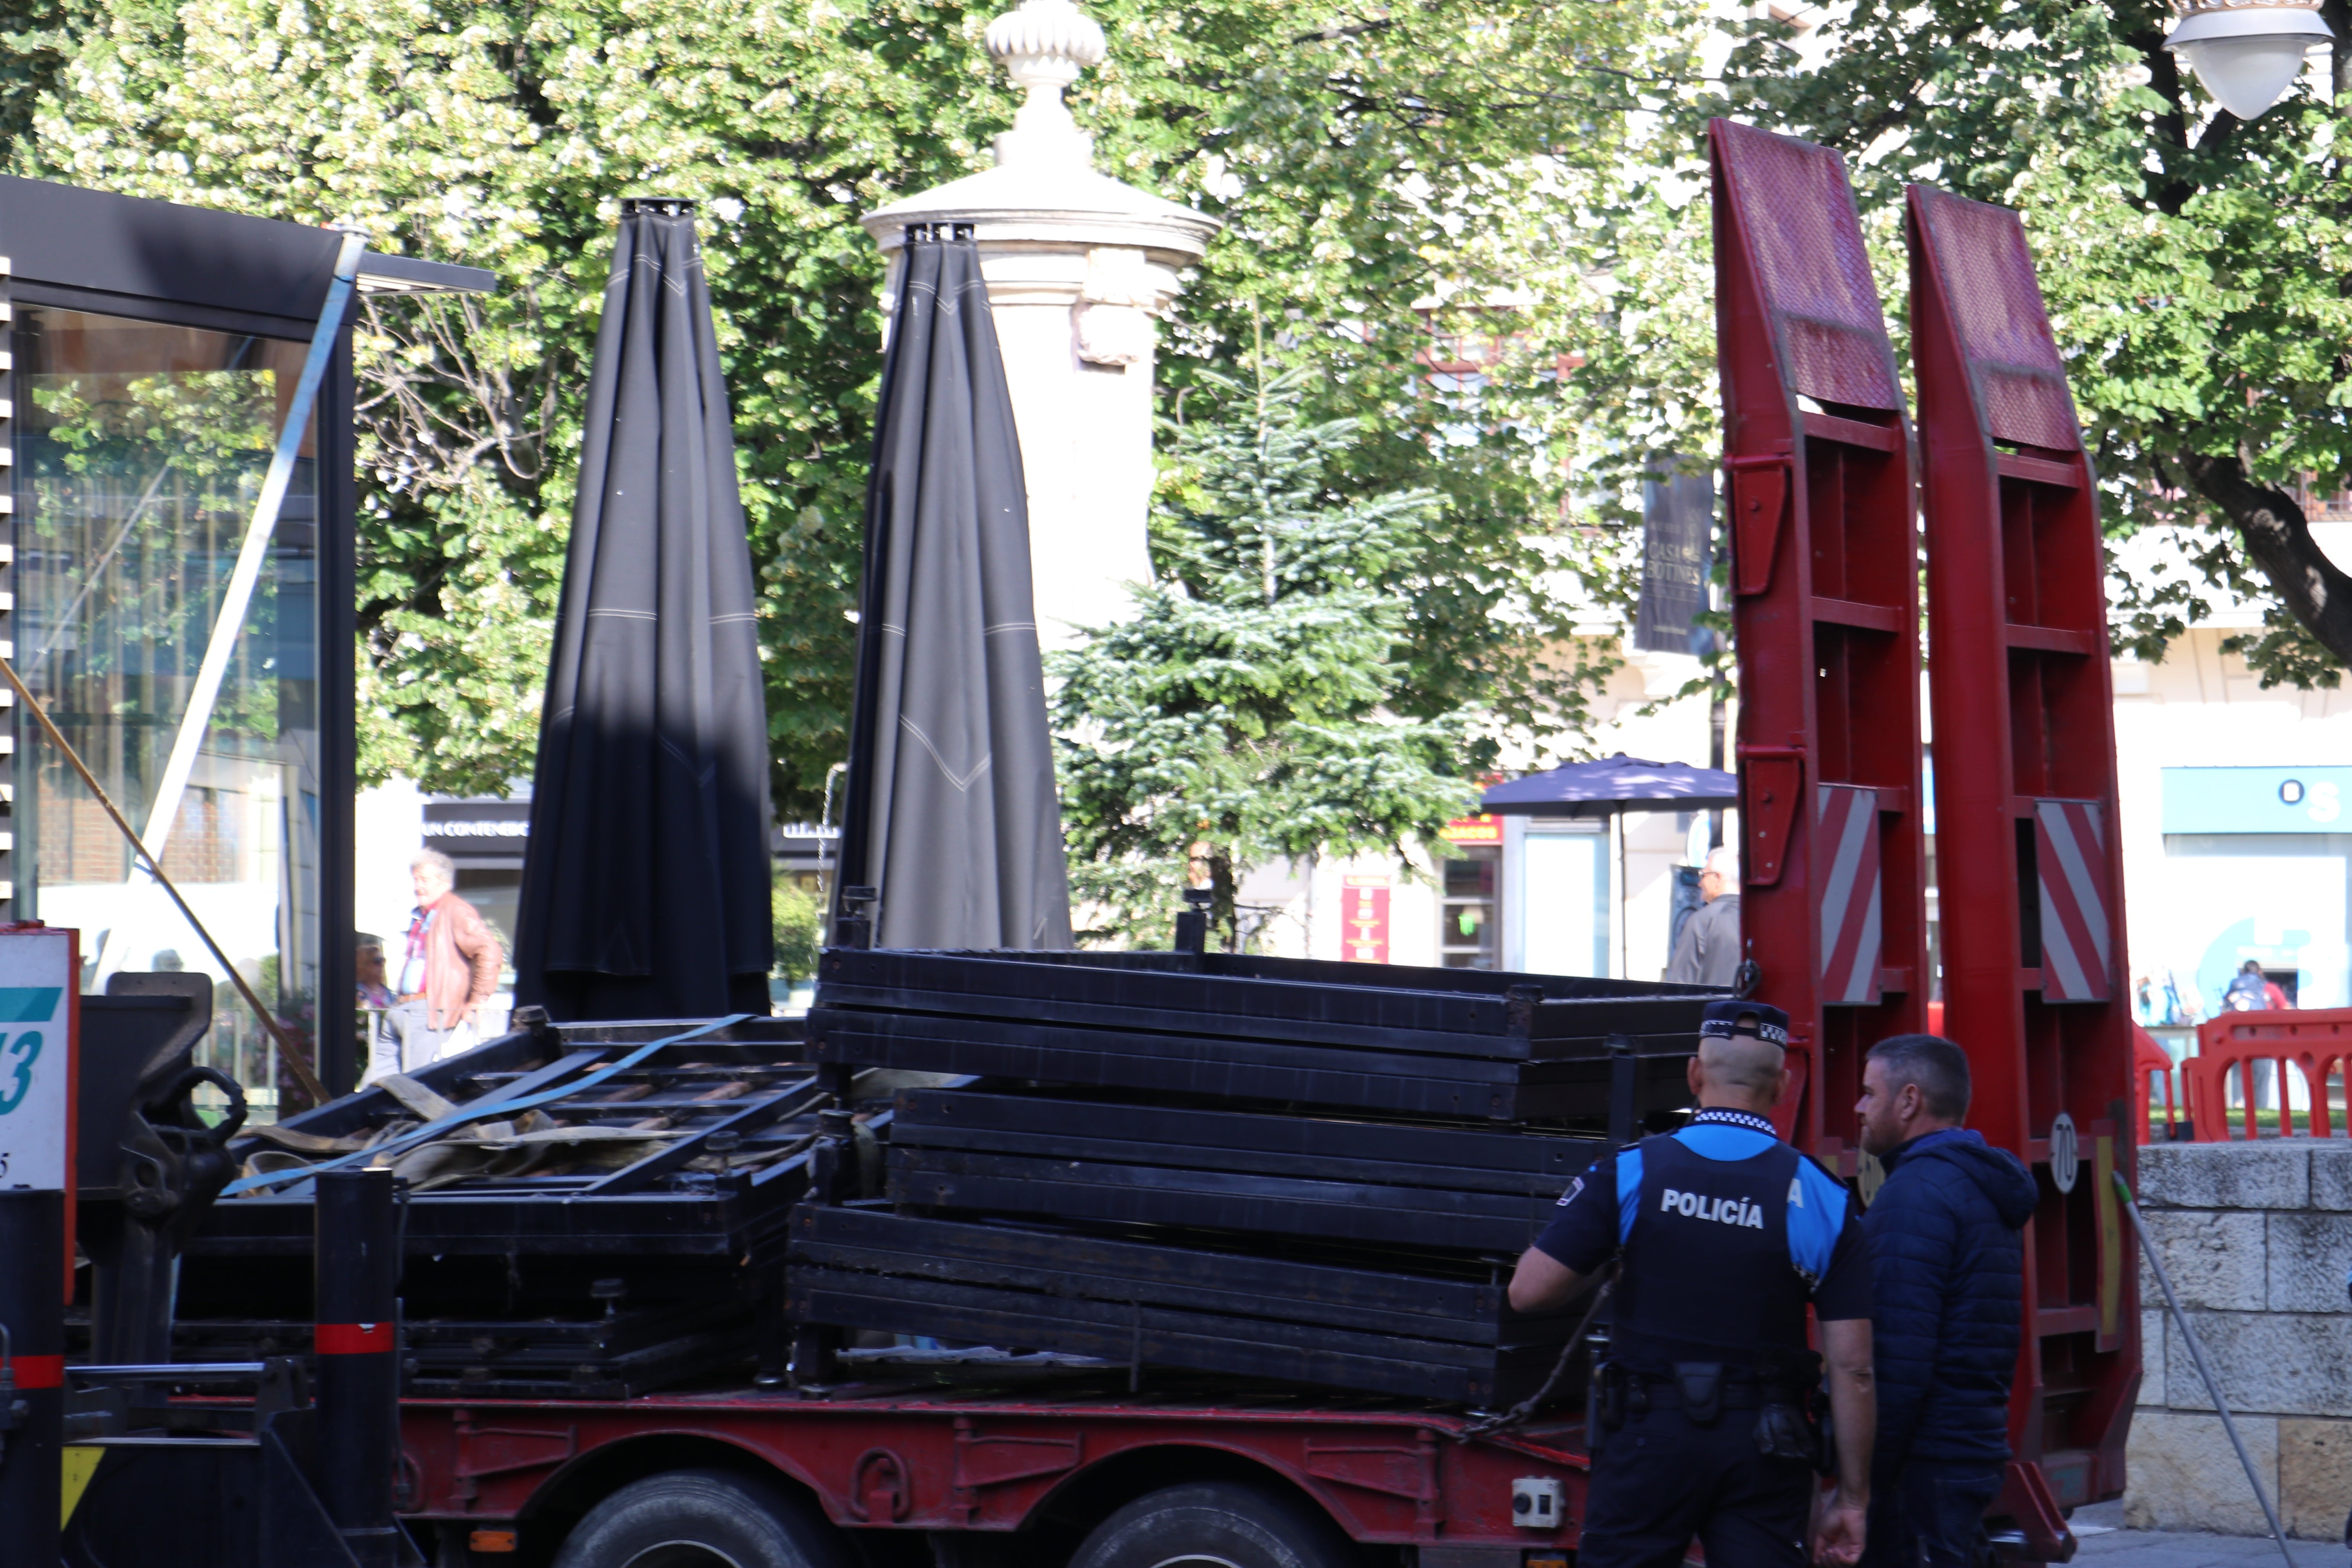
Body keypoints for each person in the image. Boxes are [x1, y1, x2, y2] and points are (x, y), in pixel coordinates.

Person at [1510, 1001, 1877, 1568]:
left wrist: (1618, 1249)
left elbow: (1529, 1292)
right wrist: (1852, 1497)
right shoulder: (1822, 1197)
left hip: (1644, 1437)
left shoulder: (1631, 1171)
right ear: (1781, 1085)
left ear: (1694, 1074)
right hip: (1765, 1443)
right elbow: (1854, 1368)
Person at [1852, 1034, 2038, 1568]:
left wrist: (1860, 1481)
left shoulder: (1914, 1196)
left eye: (1869, 1093)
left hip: (1922, 1464)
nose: (1859, 1107)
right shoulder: (1974, 1184)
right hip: (1968, 1446)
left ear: (1909, 1101)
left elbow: (1896, 1360)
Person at [365, 849, 503, 1085]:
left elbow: (490, 951)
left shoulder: (455, 910)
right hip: (403, 1008)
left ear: (443, 883)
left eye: (424, 880)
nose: (418, 886)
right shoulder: (423, 915)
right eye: (416, 880)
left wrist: (478, 1000)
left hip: (428, 1010)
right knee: (373, 1087)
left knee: (415, 1088)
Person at [1666, 846, 1742, 987]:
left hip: (1710, 1008)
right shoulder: (1759, 921)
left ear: (1718, 878)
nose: (1700, 883)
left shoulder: (1702, 921)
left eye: (1703, 875)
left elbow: (1680, 985)